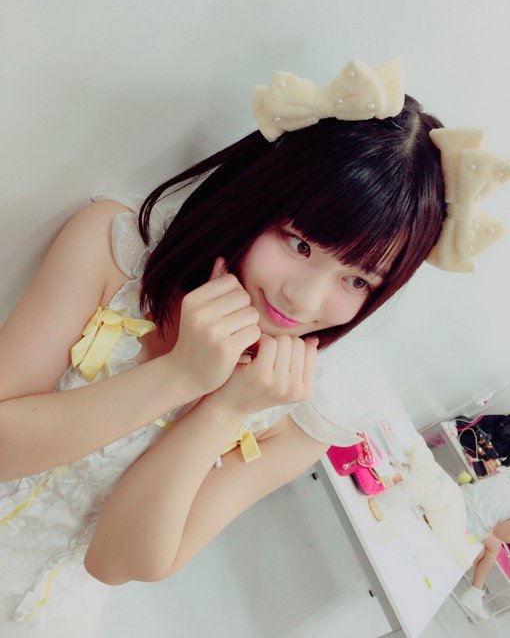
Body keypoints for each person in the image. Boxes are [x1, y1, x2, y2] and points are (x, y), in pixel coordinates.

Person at [0, 56, 507, 636]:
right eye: (300, 243)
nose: (304, 299)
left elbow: (115, 563)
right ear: (256, 197)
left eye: (357, 280)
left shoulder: (303, 415)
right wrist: (179, 375)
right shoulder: (113, 251)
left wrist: (222, 408)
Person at [459, 468, 510, 620]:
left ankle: (476, 590)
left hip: (461, 497)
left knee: (493, 546)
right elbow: (501, 532)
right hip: (467, 524)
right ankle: (474, 592)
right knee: (478, 554)